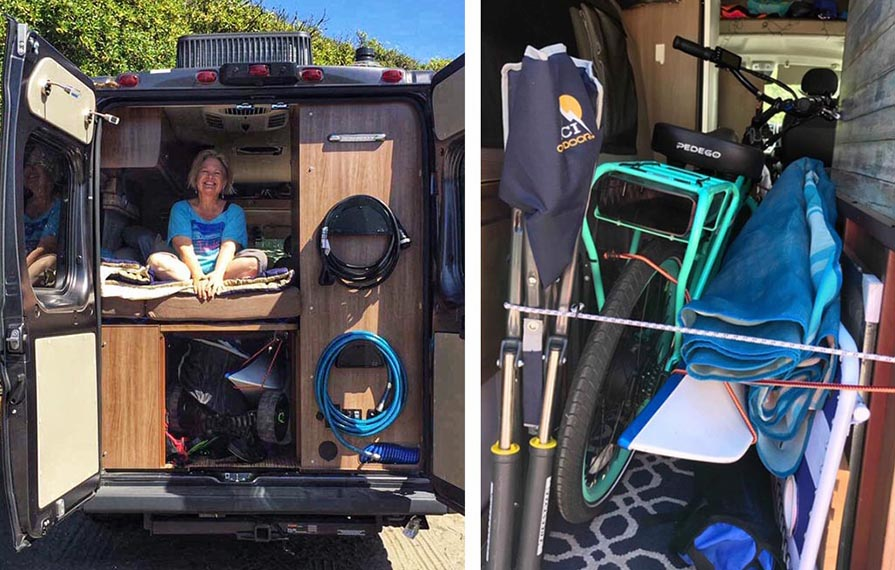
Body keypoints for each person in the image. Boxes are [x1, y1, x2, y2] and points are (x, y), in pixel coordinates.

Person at [147, 150, 267, 301]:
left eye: (217, 173)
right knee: (156, 260)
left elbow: (228, 247)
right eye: (204, 171)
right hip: (186, 271)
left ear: (224, 183)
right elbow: (183, 246)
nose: (210, 177)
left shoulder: (234, 211)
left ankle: (210, 281)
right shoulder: (181, 208)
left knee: (256, 261)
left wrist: (217, 275)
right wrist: (197, 276)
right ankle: (196, 282)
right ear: (196, 178)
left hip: (224, 270)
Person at [23, 145, 63, 286]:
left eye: (37, 165)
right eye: (28, 165)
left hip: (31, 263)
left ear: (51, 175)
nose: (30, 171)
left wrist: (18, 269)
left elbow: (45, 247)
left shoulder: (57, 206)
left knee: (49, 260)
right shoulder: (20, 201)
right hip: (13, 257)